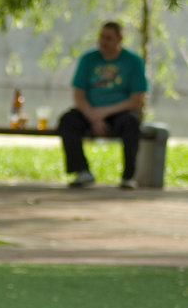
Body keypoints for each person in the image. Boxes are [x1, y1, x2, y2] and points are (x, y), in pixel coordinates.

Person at [59, 21, 148, 189]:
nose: (103, 42)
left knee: (132, 122)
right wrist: (93, 115)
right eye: (101, 37)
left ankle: (128, 177)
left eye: (108, 38)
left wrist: (103, 113)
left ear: (120, 39)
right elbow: (78, 95)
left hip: (119, 112)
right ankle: (81, 171)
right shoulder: (88, 59)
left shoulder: (133, 62)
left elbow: (137, 100)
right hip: (89, 111)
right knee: (67, 120)